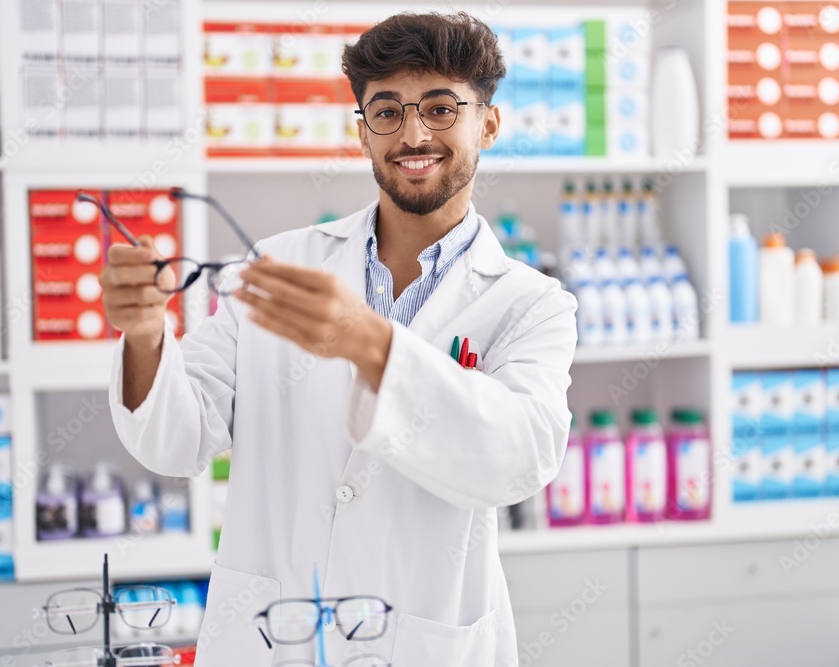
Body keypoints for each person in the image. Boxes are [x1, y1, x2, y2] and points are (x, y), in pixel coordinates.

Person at [101, 12, 577, 667]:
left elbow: (517, 458)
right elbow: (175, 438)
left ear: (488, 123)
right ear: (362, 131)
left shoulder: (532, 303)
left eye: (441, 108)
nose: (413, 134)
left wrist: (371, 345)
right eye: (386, 111)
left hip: (426, 639)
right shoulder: (276, 266)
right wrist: (148, 333)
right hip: (276, 636)